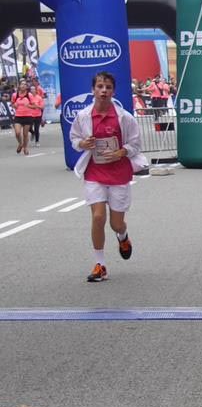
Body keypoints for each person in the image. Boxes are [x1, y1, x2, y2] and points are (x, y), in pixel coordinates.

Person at [69, 71, 147, 282]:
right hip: (94, 172)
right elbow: (75, 139)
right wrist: (82, 144)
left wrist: (121, 152)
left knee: (116, 223)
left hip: (119, 174)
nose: (103, 91)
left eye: (108, 87)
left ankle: (122, 237)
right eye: (100, 87)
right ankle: (100, 264)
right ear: (93, 89)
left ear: (113, 91)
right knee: (97, 217)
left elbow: (135, 144)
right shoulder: (84, 116)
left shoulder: (124, 117)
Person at [10, 79, 40, 155]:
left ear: (26, 87)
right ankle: (20, 144)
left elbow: (35, 106)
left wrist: (28, 105)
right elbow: (12, 104)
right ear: (19, 86)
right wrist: (14, 106)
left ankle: (25, 147)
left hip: (28, 116)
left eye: (25, 84)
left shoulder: (29, 95)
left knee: (25, 134)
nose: (23, 86)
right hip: (18, 116)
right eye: (22, 84)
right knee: (17, 133)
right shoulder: (15, 95)